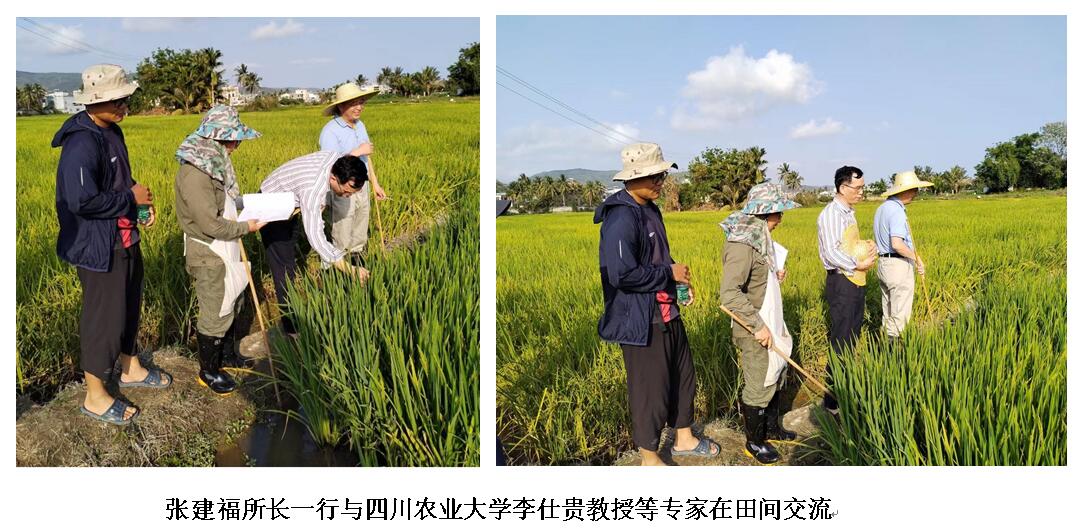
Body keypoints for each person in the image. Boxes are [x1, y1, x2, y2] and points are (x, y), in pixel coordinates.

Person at [54, 64, 170, 425]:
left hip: (123, 237)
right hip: (97, 247)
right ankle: (95, 396)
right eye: (116, 101)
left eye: (125, 100)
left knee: (129, 306)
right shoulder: (81, 142)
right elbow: (81, 201)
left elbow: (121, 180)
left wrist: (139, 208)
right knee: (102, 319)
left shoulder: (111, 131)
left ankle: (130, 368)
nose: (123, 107)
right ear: (94, 102)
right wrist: (129, 199)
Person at [594, 142, 719, 465]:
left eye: (662, 175)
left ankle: (685, 438)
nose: (661, 182)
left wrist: (677, 282)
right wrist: (668, 272)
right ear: (633, 178)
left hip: (666, 311)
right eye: (655, 176)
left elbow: (659, 258)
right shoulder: (621, 218)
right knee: (649, 389)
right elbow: (623, 275)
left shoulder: (649, 209)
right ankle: (649, 458)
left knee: (682, 375)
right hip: (640, 320)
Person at [174, 105, 265, 395]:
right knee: (216, 310)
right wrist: (245, 228)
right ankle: (208, 372)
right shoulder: (196, 174)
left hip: (225, 245)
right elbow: (209, 223)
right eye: (232, 140)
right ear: (216, 140)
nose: (236, 146)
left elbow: (224, 206)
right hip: (209, 251)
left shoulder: (214, 164)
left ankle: (226, 357)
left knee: (233, 302)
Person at [719, 183, 800, 464]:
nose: (781, 219)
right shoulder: (742, 245)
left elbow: (756, 279)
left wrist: (774, 275)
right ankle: (754, 442)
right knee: (759, 383)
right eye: (779, 213)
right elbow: (729, 294)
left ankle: (772, 428)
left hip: (770, 321)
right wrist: (757, 326)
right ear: (766, 214)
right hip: (754, 327)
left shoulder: (758, 238)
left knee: (775, 376)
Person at [258, 152, 371, 335]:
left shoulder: (339, 160)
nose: (347, 196)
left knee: (290, 258)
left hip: (290, 204)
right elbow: (316, 237)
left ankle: (294, 314)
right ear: (334, 177)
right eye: (347, 191)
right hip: (270, 205)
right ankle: (292, 326)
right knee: (284, 269)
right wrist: (350, 270)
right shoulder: (312, 188)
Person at [816, 166, 877, 415]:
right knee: (841, 339)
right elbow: (831, 252)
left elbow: (848, 245)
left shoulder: (848, 213)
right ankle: (832, 401)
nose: (861, 192)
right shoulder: (831, 214)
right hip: (842, 281)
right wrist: (857, 264)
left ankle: (845, 388)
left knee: (852, 337)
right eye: (858, 188)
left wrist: (866, 247)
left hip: (855, 279)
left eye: (863, 187)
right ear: (843, 188)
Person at [318, 83, 387, 265]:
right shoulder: (330, 131)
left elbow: (367, 157)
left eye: (361, 102)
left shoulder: (360, 125)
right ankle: (338, 266)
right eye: (354, 103)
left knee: (360, 225)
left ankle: (358, 261)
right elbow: (331, 165)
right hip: (343, 187)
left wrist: (375, 183)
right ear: (341, 106)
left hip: (361, 185)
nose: (359, 107)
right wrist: (357, 151)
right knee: (343, 228)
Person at [873, 170, 933, 340]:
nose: (916, 194)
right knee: (900, 315)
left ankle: (884, 351)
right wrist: (917, 257)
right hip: (898, 266)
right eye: (914, 190)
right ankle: (895, 355)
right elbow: (897, 244)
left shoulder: (882, 208)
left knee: (889, 312)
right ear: (905, 191)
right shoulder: (897, 211)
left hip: (884, 264)